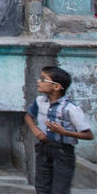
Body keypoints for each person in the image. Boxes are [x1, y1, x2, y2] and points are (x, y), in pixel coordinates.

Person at [24, 66, 93, 194]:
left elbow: (89, 135)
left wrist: (64, 132)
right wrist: (36, 130)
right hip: (43, 148)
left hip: (63, 152)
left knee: (59, 190)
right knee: (42, 188)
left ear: (56, 87)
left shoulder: (70, 109)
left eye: (43, 79)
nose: (39, 81)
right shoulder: (40, 101)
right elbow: (28, 116)